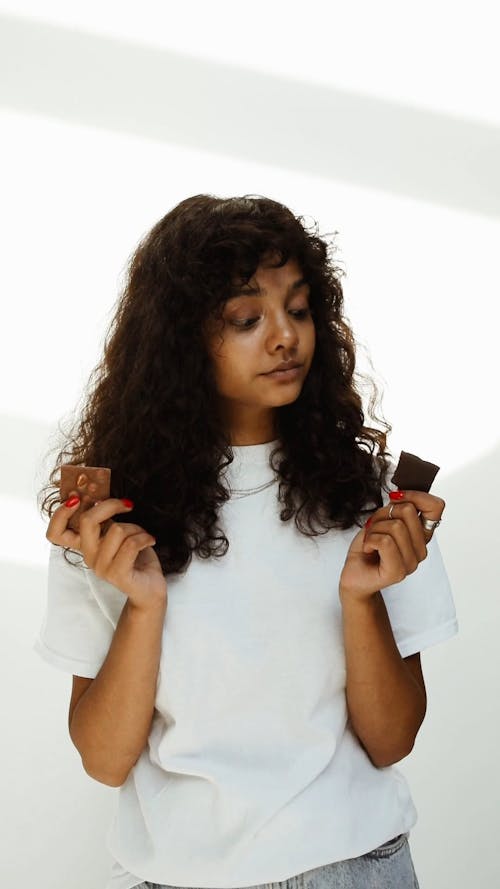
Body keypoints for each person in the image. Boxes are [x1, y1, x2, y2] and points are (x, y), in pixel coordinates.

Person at [35, 194, 458, 889]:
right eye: (246, 318)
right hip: (178, 876)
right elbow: (106, 759)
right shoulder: (109, 516)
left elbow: (392, 739)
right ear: (182, 338)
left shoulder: (371, 498)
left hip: (353, 867)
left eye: (297, 309)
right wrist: (143, 606)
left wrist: (360, 600)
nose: (285, 336)